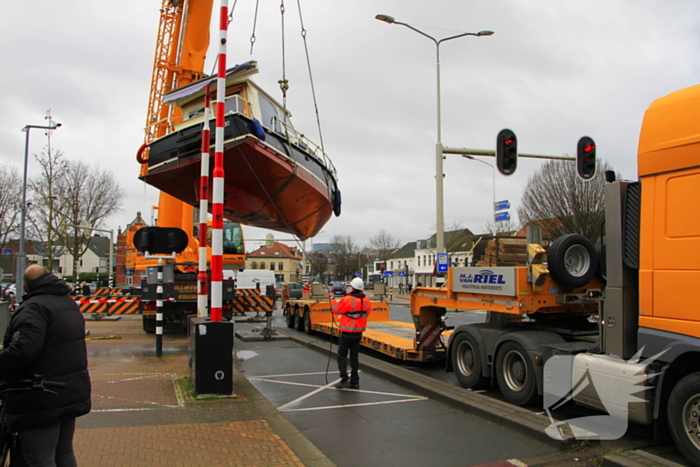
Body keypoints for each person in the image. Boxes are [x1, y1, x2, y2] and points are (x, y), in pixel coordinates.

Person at [0, 264, 91, 466]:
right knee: (64, 453)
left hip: (39, 395)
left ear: (25, 288)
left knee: (39, 459)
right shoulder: (67, 303)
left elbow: (24, 351)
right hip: (68, 391)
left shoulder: (33, 308)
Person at [328, 277, 371, 390]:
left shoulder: (347, 299)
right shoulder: (366, 300)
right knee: (354, 357)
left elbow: (336, 310)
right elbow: (367, 312)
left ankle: (344, 378)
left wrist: (332, 298)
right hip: (358, 333)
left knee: (342, 356)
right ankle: (355, 380)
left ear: (352, 287)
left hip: (346, 332)